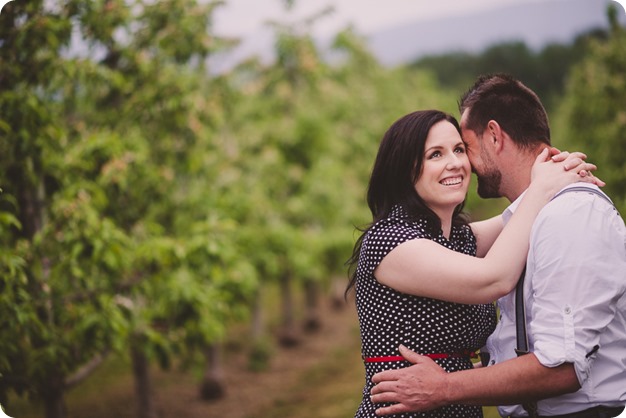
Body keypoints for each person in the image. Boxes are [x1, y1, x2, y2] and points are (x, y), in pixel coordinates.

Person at [370, 74, 626, 418]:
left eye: (462, 148)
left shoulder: (564, 214)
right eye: (435, 154)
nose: (460, 164)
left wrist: (553, 175)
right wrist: (542, 184)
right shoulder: (392, 241)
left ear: (494, 135)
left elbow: (512, 221)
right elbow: (495, 275)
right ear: (407, 168)